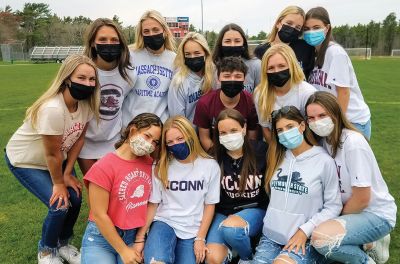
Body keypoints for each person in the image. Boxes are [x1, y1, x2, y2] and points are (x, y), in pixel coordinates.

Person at [4, 54, 100, 264]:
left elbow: (79, 139)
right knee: (59, 204)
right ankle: (46, 251)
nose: (87, 84)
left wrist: (67, 173)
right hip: (26, 161)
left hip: (57, 160)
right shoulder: (53, 109)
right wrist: (58, 183)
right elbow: (51, 154)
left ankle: (63, 244)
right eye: (81, 78)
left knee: (75, 198)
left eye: (91, 79)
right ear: (67, 78)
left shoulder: (86, 104)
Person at [306, 91, 396, 264]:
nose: (317, 122)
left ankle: (366, 259)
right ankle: (367, 242)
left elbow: (362, 198)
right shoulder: (325, 142)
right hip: (352, 211)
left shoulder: (353, 142)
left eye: (322, 115)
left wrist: (334, 219)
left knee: (322, 239)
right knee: (318, 238)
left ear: (336, 113)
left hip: (375, 213)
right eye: (311, 118)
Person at [252, 105, 342, 264]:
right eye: (280, 130)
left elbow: (333, 206)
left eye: (289, 127)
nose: (285, 133)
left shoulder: (324, 161)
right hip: (271, 236)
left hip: (305, 239)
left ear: (302, 125)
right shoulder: (276, 158)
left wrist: (304, 231)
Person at [81, 113, 162, 264]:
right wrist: (123, 251)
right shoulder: (103, 166)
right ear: (132, 131)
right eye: (147, 136)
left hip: (132, 236)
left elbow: (154, 201)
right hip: (101, 238)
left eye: (155, 142)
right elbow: (99, 214)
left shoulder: (151, 165)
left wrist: (139, 239)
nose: (150, 144)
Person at [137, 116, 220, 264]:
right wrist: (140, 238)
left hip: (192, 229)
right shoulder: (160, 166)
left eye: (180, 138)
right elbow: (153, 204)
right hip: (164, 222)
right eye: (170, 142)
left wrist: (200, 238)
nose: (175, 144)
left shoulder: (210, 166)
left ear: (190, 135)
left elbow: (209, 205)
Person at [205, 109, 268, 264]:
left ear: (244, 128)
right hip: (224, 212)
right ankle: (233, 250)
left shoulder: (261, 151)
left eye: (233, 130)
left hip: (255, 210)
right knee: (212, 259)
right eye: (223, 133)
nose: (229, 136)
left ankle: (246, 258)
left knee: (232, 230)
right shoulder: (214, 155)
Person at [78, 18, 136, 175]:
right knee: (93, 191)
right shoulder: (83, 71)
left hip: (113, 142)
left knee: (114, 191)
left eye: (114, 39)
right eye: (102, 39)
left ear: (121, 43)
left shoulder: (129, 74)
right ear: (92, 43)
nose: (109, 44)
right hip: (85, 143)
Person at [304, 7, 372, 140]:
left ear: (327, 28)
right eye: (306, 29)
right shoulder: (314, 55)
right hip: (329, 122)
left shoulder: (335, 52)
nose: (311, 32)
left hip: (350, 121)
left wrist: (337, 124)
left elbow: (343, 92)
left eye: (316, 27)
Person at [122, 10, 176, 125]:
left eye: (156, 30)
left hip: (158, 129)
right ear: (141, 34)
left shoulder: (175, 60)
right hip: (130, 126)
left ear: (165, 31)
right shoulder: (130, 55)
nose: (151, 34)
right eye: (146, 31)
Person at [193, 56, 258, 152]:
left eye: (238, 76)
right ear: (219, 78)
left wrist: (241, 156)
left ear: (244, 79)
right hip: (215, 152)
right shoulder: (205, 103)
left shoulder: (250, 101)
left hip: (243, 152)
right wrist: (218, 157)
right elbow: (204, 138)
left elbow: (252, 136)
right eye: (227, 76)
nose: (232, 80)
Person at [254, 43, 316, 143]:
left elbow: (312, 131)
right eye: (271, 68)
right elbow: (265, 128)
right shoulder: (260, 94)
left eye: (281, 66)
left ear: (292, 66)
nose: (276, 71)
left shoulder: (308, 93)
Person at [253, 6, 315, 79]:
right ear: (278, 23)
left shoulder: (305, 48)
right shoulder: (261, 50)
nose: (292, 29)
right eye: (289, 23)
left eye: (298, 27)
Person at [168, 32, 215, 122]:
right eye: (188, 54)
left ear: (205, 53)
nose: (192, 57)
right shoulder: (178, 82)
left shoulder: (213, 74)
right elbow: (178, 120)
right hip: (189, 133)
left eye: (197, 53)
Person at [212, 23, 261, 93]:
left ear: (243, 43)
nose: (232, 45)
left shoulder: (256, 65)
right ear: (220, 44)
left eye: (237, 41)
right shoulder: (212, 67)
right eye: (227, 41)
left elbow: (261, 95)